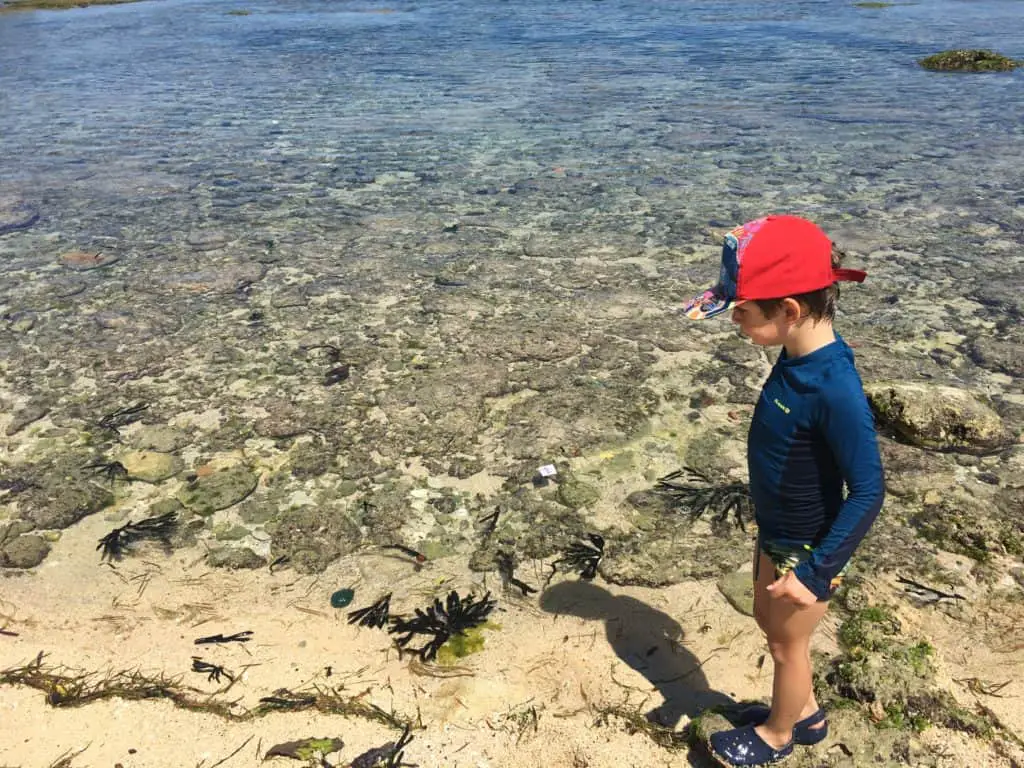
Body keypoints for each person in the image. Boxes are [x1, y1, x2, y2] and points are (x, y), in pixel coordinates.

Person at [682, 215, 885, 766]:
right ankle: (808, 715)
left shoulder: (834, 386)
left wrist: (815, 572)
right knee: (765, 622)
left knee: (785, 645)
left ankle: (777, 734)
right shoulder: (795, 357)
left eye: (742, 312)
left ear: (789, 310)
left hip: (806, 548)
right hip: (777, 531)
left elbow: (869, 490)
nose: (736, 323)